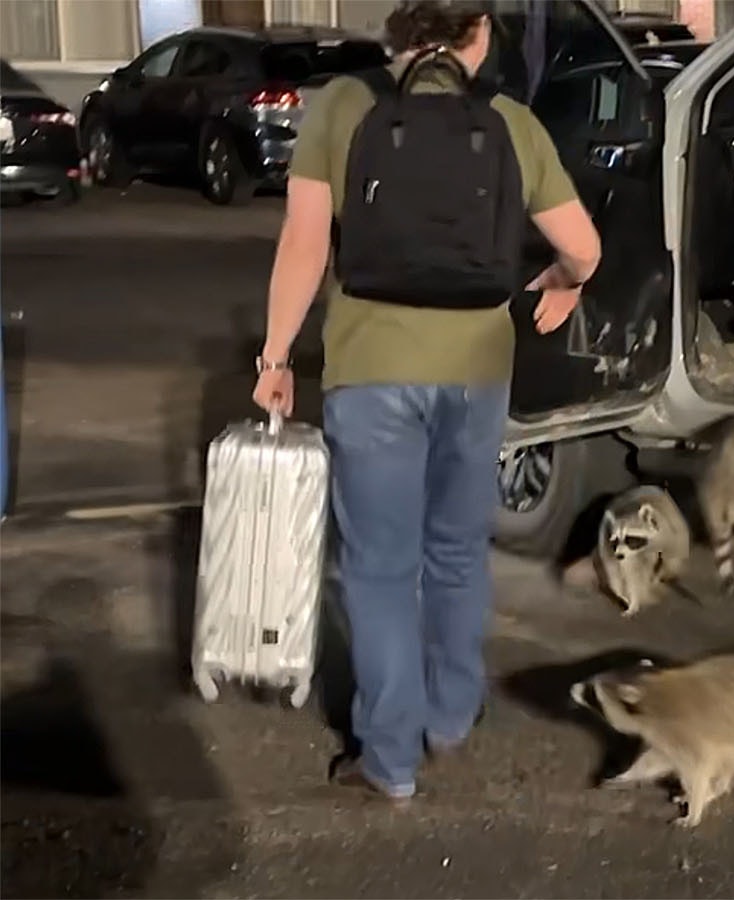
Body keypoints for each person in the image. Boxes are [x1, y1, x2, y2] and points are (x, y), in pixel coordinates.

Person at [250, 0, 601, 805]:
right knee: (456, 552)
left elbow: (304, 245)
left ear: (396, 34)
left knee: (378, 569)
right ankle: (449, 716)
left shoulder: (341, 105)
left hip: (371, 371)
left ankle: (390, 759)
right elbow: (584, 247)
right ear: (476, 37)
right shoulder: (511, 121)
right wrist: (560, 283)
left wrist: (275, 357)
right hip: (477, 372)